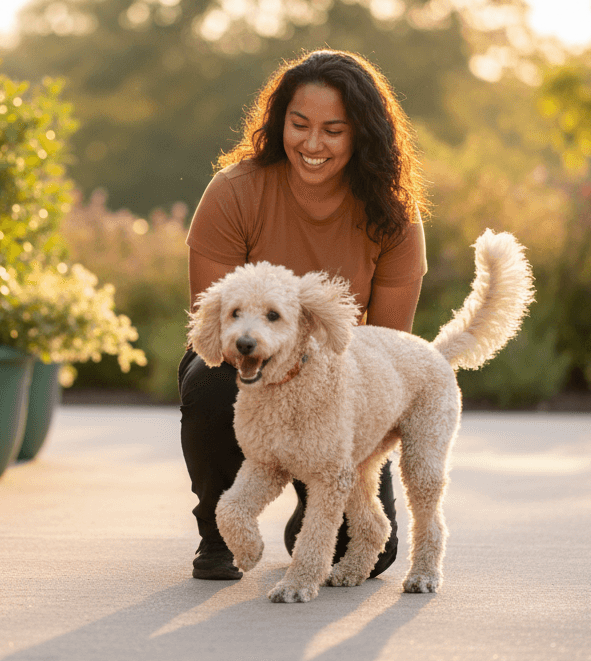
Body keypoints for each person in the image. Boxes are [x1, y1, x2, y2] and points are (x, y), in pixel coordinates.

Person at [179, 49, 429, 580]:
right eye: (300, 125)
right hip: (243, 369)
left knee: (362, 551)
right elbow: (216, 325)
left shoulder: (393, 214)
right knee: (207, 381)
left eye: (333, 130)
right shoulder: (234, 191)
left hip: (342, 376)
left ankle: (312, 498)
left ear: (361, 134)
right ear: (280, 123)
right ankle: (218, 536)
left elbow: (386, 342)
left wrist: (319, 397)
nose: (313, 144)